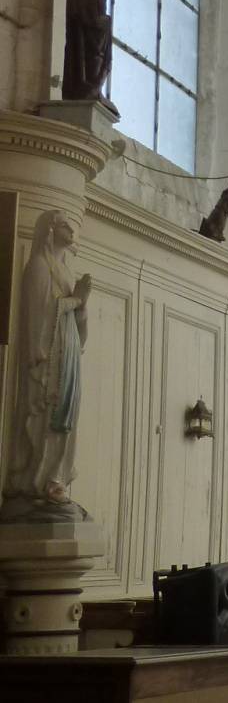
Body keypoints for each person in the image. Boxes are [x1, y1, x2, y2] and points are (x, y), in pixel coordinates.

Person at [4, 211, 92, 513]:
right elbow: (40, 314)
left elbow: (75, 318)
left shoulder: (65, 270)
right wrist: (76, 300)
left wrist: (82, 306)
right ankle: (38, 481)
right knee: (48, 414)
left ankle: (57, 478)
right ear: (51, 230)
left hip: (69, 352)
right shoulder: (39, 267)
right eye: (65, 225)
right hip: (48, 356)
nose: (72, 231)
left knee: (67, 415)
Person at [61, 0, 114, 105]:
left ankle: (95, 89)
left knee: (99, 63)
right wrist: (98, 21)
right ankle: (85, 88)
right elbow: (79, 14)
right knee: (90, 63)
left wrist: (104, 22)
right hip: (87, 39)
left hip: (99, 39)